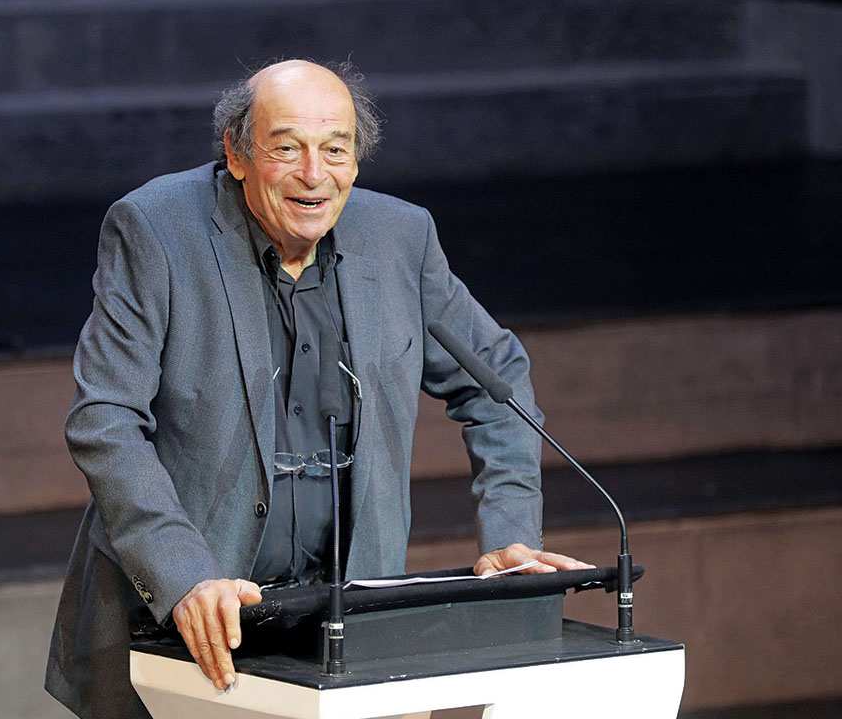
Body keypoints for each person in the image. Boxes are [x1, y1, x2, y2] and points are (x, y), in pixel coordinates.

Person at [45, 60, 590, 719]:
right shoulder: (155, 229)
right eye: (287, 148)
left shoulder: (400, 238)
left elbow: (497, 379)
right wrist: (184, 575)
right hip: (186, 627)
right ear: (238, 154)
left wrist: (509, 534)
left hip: (345, 627)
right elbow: (105, 420)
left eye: (335, 149)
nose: (314, 174)